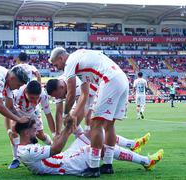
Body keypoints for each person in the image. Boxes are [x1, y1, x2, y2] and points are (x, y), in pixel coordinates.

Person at [49, 47, 129, 177]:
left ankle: (94, 167)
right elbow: (84, 95)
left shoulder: (70, 62)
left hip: (109, 79)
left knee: (95, 124)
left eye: (55, 64)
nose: (56, 68)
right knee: (109, 124)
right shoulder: (81, 58)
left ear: (61, 58)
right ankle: (108, 165)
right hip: (121, 78)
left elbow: (71, 93)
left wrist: (66, 114)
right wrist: (74, 116)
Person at [16, 120, 164, 176]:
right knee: (100, 148)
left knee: (92, 133)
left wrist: (71, 128)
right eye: (34, 129)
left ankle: (132, 145)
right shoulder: (27, 151)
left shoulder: (26, 147)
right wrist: (67, 130)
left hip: (65, 156)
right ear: (26, 132)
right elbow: (55, 149)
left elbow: (55, 147)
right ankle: (146, 161)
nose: (37, 132)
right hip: (67, 164)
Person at [46, 77, 150, 153]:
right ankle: (132, 144)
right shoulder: (59, 87)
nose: (59, 97)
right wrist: (57, 134)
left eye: (58, 95)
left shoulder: (75, 85)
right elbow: (59, 112)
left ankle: (131, 145)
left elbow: (82, 108)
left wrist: (67, 131)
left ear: (61, 87)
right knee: (88, 135)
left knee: (93, 132)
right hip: (88, 97)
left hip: (97, 95)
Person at [5, 52, 42, 169]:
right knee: (35, 133)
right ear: (27, 59)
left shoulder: (15, 68)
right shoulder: (32, 68)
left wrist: (8, 129)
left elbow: (8, 106)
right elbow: (38, 76)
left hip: (21, 102)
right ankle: (33, 155)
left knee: (14, 131)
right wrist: (38, 89)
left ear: (18, 60)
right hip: (32, 102)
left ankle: (16, 159)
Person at [8, 80, 56, 169]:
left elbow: (48, 114)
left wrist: (54, 134)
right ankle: (16, 159)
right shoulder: (17, 93)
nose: (34, 101)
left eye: (36, 98)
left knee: (40, 135)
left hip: (34, 112)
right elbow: (9, 110)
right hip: (19, 112)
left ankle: (53, 148)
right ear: (26, 92)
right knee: (13, 132)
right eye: (32, 98)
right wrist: (10, 127)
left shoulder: (43, 95)